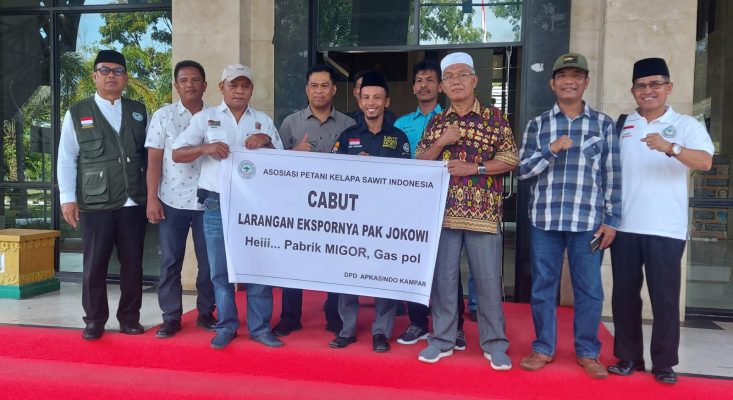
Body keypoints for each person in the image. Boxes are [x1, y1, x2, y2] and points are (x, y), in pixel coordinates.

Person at [607, 58, 713, 384]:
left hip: (666, 228)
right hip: (624, 226)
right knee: (624, 297)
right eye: (641, 85)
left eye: (655, 84)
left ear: (669, 87)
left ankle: (664, 363)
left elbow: (705, 161)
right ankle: (629, 358)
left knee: (664, 299)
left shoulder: (685, 124)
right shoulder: (622, 124)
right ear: (633, 91)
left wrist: (671, 147)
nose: (648, 90)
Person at [517, 53, 621, 379]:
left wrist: (612, 219)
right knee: (543, 288)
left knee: (589, 289)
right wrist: (551, 149)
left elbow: (613, 175)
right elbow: (522, 171)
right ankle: (543, 348)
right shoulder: (538, 125)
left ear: (586, 82)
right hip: (545, 220)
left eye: (576, 75)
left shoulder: (603, 124)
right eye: (562, 76)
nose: (569, 81)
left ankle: (588, 352)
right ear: (552, 83)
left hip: (587, 223)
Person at [415, 52, 518, 370]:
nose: (455, 81)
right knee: (443, 281)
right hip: (443, 215)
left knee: (487, 282)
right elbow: (420, 161)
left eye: (462, 75)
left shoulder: (494, 118)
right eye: (449, 77)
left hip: (483, 216)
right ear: (442, 87)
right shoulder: (437, 122)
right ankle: (442, 340)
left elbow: (511, 159)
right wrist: (442, 141)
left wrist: (476, 168)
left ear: (475, 80)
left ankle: (495, 343)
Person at [172, 64, 284, 350]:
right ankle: (226, 325)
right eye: (233, 85)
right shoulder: (205, 118)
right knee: (219, 270)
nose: (239, 91)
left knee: (257, 269)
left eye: (245, 86)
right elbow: (177, 154)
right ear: (221, 87)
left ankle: (260, 328)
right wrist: (206, 148)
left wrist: (266, 141)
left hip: (255, 206)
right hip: (216, 202)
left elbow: (282, 162)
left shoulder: (262, 120)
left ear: (252, 90)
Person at [57, 49, 148, 340]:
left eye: (117, 71)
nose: (111, 76)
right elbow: (66, 157)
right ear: (95, 76)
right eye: (105, 70)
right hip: (95, 202)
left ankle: (129, 318)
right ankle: (94, 320)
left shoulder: (138, 110)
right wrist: (67, 198)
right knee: (94, 264)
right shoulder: (77, 112)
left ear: (125, 77)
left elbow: (149, 156)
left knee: (132, 265)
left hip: (133, 200)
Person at [329, 71, 411, 353]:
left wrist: (378, 166)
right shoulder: (347, 137)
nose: (371, 102)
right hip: (352, 219)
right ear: (359, 101)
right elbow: (331, 174)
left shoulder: (398, 138)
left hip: (386, 219)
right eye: (366, 97)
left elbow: (408, 179)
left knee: (384, 273)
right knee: (348, 272)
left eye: (377, 97)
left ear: (386, 101)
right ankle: (347, 329)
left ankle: (381, 332)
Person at [273, 64, 355, 337]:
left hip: (336, 204)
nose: (319, 91)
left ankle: (334, 314)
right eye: (314, 86)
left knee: (336, 259)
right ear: (307, 89)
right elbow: (274, 166)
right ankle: (290, 316)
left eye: (324, 86)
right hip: (297, 204)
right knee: (293, 258)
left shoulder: (348, 124)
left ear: (334, 89)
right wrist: (293, 152)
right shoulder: (290, 123)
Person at [394, 58, 471, 348]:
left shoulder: (454, 119)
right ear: (413, 88)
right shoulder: (401, 124)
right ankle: (417, 322)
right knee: (414, 263)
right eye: (419, 81)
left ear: (440, 86)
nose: (424, 85)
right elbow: (403, 165)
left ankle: (456, 326)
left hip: (448, 202)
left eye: (430, 80)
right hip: (412, 203)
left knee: (448, 267)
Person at [145, 60, 217, 338]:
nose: (190, 85)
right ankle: (171, 317)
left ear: (205, 85)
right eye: (184, 80)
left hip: (207, 202)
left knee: (208, 263)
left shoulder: (216, 117)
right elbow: (154, 160)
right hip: (171, 200)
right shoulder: (163, 116)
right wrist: (152, 198)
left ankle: (206, 312)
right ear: (176, 85)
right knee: (170, 261)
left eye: (195, 79)